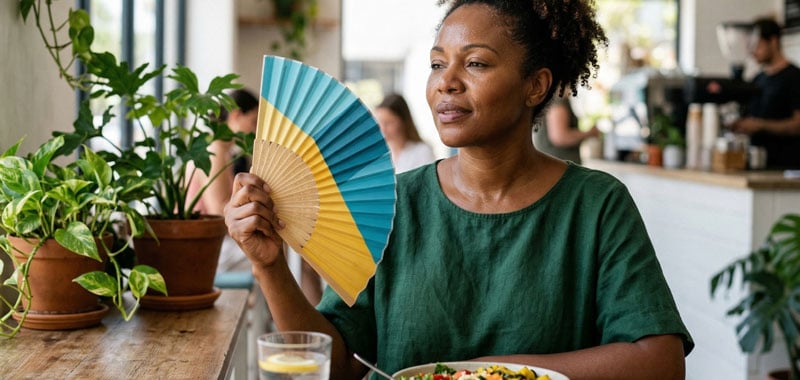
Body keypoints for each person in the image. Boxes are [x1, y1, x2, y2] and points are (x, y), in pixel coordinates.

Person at [224, 1, 693, 379]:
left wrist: (484, 374)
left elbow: (660, 362)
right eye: (436, 64)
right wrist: (268, 266)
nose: (445, 83)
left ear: (536, 86)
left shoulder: (596, 204)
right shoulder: (396, 205)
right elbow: (338, 365)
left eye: (475, 63)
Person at [191, 88, 323, 304]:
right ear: (235, 116)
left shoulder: (224, 152)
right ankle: (300, 316)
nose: (255, 131)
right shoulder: (215, 151)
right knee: (295, 248)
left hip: (218, 244)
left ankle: (294, 314)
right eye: (253, 122)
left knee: (297, 246)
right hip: (211, 250)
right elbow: (221, 216)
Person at [731, 17, 800, 168]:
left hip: (785, 168)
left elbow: (798, 124)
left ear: (773, 42)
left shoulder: (794, 77)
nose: (752, 51)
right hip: (757, 164)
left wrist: (762, 125)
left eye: (757, 45)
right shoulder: (757, 79)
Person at [374, 93, 436, 173]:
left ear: (403, 121)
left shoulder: (422, 151)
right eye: (379, 123)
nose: (382, 129)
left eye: (388, 123)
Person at [533, 95, 599, 164]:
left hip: (557, 165)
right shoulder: (559, 102)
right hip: (559, 166)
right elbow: (560, 137)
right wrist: (590, 133)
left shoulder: (553, 100)